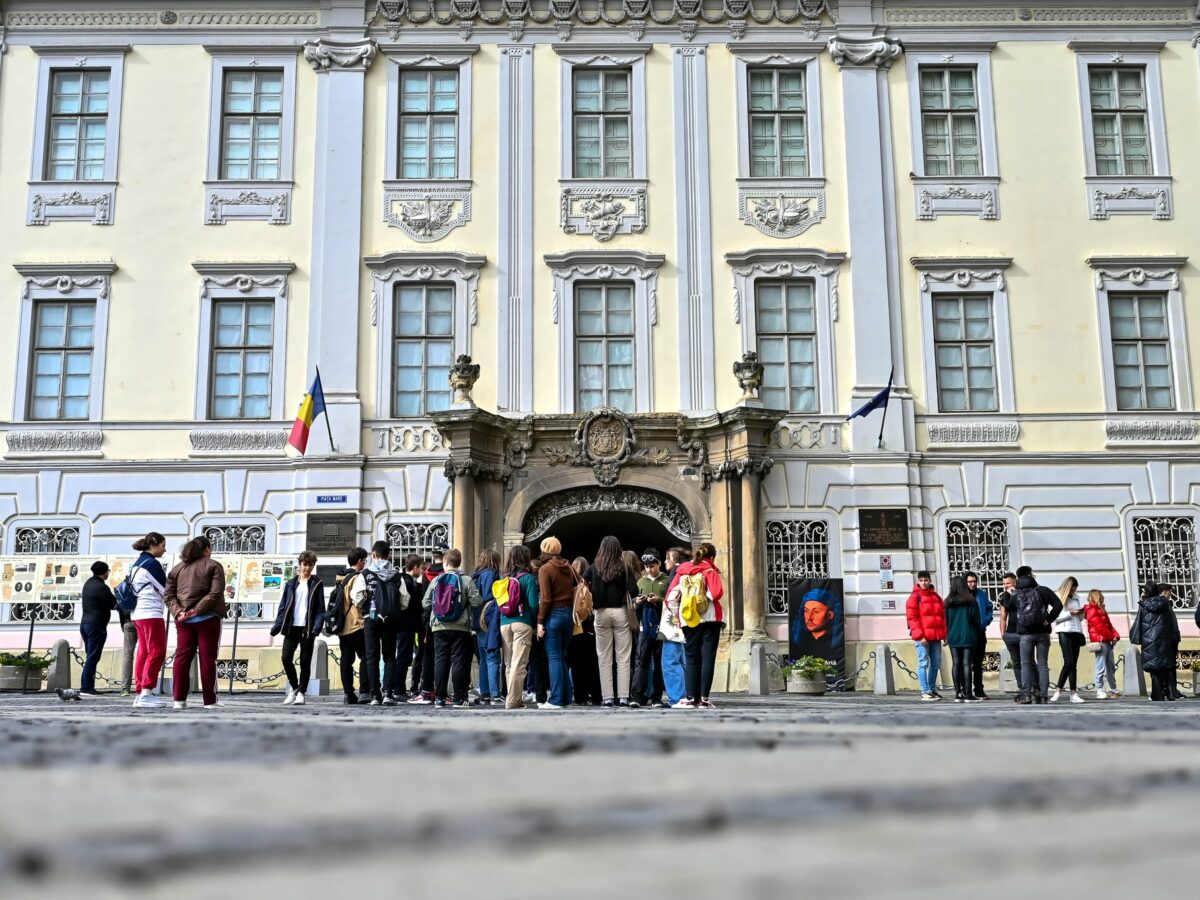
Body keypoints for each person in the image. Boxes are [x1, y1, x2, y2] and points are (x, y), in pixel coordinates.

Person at [164, 536, 227, 710]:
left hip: (183, 621)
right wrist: (197, 610)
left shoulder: (176, 569)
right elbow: (215, 593)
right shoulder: (213, 565)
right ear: (206, 549)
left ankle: (178, 700)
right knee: (208, 659)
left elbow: (168, 595)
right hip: (208, 618)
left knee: (182, 658)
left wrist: (179, 612)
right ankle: (210, 700)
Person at [422, 548, 483, 708]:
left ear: (445, 562)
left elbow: (425, 603)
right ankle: (459, 698)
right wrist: (464, 605)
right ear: (459, 562)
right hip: (460, 627)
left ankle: (440, 698)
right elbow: (477, 602)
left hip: (438, 627)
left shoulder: (437, 580)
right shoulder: (466, 580)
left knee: (440, 660)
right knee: (459, 661)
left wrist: (438, 609)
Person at [668, 542, 726, 709]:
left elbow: (670, 597)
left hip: (689, 618)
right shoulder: (710, 570)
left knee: (692, 657)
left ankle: (691, 697)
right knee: (708, 657)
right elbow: (716, 593)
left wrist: (679, 615)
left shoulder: (682, 571)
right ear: (713, 557)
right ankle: (704, 699)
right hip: (711, 618)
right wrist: (704, 596)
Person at [586, 536, 638, 708]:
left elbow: (582, 583)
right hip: (621, 612)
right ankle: (623, 697)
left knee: (604, 657)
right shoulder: (624, 567)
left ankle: (607, 697)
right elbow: (633, 590)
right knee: (623, 657)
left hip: (600, 613)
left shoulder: (594, 568)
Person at [270, 551, 324, 706]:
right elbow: (283, 606)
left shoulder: (316, 583)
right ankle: (294, 689)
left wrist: (316, 627)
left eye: (310, 565)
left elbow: (321, 608)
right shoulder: (291, 583)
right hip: (291, 627)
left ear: (313, 566)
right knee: (286, 658)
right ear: (300, 564)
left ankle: (301, 693)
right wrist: (277, 625)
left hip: (307, 628)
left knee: (305, 662)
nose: (307, 568)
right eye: (305, 564)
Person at [362, 541, 407, 705]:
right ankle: (388, 693)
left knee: (371, 657)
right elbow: (405, 599)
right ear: (388, 555)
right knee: (389, 656)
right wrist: (395, 610)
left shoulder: (365, 574)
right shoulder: (396, 575)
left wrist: (365, 608)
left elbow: (358, 596)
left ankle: (375, 695)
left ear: (373, 554)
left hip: (371, 618)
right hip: (391, 619)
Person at [129, 532, 169, 709]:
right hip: (151, 613)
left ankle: (140, 692)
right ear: (153, 544)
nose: (164, 550)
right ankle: (146, 691)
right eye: (162, 545)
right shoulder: (152, 564)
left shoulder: (136, 564)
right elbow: (166, 589)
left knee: (144, 653)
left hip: (137, 614)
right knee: (157, 652)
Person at [1014, 565, 1063, 705]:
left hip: (1025, 633)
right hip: (1043, 633)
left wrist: (1008, 595)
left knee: (1025, 664)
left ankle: (1026, 695)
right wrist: (1048, 620)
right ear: (1030, 575)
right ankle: (1043, 696)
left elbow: (1008, 605)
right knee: (1042, 664)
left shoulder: (1017, 594)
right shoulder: (1043, 590)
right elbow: (1058, 605)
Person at [536, 536, 576, 710]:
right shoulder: (569, 566)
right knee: (561, 657)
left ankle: (557, 699)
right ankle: (566, 698)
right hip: (569, 617)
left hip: (553, 615)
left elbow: (545, 599)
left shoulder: (545, 569)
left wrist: (539, 621)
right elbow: (582, 583)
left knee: (554, 657)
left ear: (544, 550)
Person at [499, 544, 539, 709]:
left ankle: (512, 697)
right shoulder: (528, 578)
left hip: (504, 623)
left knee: (509, 664)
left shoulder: (503, 578)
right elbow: (533, 604)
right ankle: (513, 701)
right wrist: (537, 620)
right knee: (519, 663)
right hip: (523, 622)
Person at [631, 550, 667, 708]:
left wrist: (659, 600)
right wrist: (638, 602)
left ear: (659, 564)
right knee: (641, 661)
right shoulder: (640, 582)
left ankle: (657, 696)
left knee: (659, 663)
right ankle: (638, 695)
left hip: (662, 627)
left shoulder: (667, 581)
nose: (649, 569)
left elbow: (672, 602)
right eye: (646, 566)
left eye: (652, 566)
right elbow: (632, 605)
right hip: (643, 627)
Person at [408, 545, 446, 698]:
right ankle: (440, 689)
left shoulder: (425, 575)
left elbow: (423, 601)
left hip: (427, 621)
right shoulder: (447, 574)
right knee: (442, 656)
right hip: (447, 620)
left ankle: (424, 688)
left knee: (425, 655)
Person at [905, 571, 946, 702]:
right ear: (918, 581)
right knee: (923, 662)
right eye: (921, 580)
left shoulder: (936, 597)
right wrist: (919, 635)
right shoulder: (914, 597)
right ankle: (924, 691)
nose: (924, 583)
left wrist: (945, 634)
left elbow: (942, 617)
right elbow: (912, 618)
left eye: (926, 580)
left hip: (935, 636)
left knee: (935, 664)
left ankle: (932, 689)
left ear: (930, 580)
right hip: (922, 637)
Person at [567, 555, 602, 706]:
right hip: (590, 628)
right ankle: (595, 695)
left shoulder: (569, 583)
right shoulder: (591, 582)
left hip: (575, 628)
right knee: (593, 663)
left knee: (576, 664)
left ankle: (580, 696)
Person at [1138, 582, 1180, 702]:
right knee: (1165, 667)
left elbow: (1139, 623)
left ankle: (1157, 694)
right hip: (1164, 640)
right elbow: (1171, 623)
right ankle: (1169, 692)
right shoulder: (1165, 603)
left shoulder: (1143, 605)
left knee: (1154, 668)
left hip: (1148, 640)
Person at [337, 548, 369, 705]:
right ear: (360, 561)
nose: (365, 563)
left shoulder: (340, 576)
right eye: (365, 560)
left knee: (346, 659)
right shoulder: (357, 577)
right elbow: (357, 598)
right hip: (356, 623)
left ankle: (348, 694)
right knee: (365, 656)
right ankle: (364, 691)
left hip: (342, 624)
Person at [79, 560, 116, 694]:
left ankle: (88, 685)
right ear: (105, 572)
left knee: (90, 655)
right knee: (93, 657)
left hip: (85, 624)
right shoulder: (102, 587)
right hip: (96, 625)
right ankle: (86, 687)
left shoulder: (88, 584)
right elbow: (113, 603)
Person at [658, 547, 689, 706]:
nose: (664, 561)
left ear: (675, 561)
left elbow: (672, 599)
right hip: (682, 623)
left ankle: (676, 698)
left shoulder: (676, 574)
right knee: (681, 660)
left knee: (670, 661)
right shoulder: (685, 572)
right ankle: (683, 696)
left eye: (667, 558)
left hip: (673, 623)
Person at [471, 549, 502, 704]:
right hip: (488, 620)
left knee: (483, 659)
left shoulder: (475, 576)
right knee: (493, 657)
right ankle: (495, 694)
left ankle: (485, 693)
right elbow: (489, 597)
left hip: (477, 620)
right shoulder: (490, 574)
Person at [944, 576, 981, 702]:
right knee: (966, 664)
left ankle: (958, 693)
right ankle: (968, 693)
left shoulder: (947, 602)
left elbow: (946, 621)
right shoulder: (971, 601)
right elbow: (977, 620)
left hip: (953, 636)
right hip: (968, 635)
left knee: (956, 663)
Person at [1050, 576, 1086, 703]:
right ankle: (1058, 691)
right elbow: (1055, 618)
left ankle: (1073, 693)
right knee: (1068, 661)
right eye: (1071, 590)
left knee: (1074, 664)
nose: (1073, 592)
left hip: (1076, 630)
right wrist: (1070, 613)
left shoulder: (1076, 597)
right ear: (1067, 588)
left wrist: (1081, 613)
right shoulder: (1057, 596)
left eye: (1074, 590)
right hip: (1064, 631)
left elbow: (1080, 619)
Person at [394, 554, 425, 700]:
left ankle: (397, 688)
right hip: (406, 625)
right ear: (415, 567)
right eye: (420, 567)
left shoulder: (400, 580)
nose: (422, 570)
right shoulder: (408, 583)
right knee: (403, 657)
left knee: (401, 656)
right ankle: (398, 689)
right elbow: (415, 608)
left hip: (399, 624)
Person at [1084, 589, 1120, 699]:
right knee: (1100, 666)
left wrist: (1115, 635)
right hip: (1100, 641)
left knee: (1110, 666)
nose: (1103, 597)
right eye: (1101, 595)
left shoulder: (1101, 609)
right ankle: (1099, 689)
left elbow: (1109, 625)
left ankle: (1113, 689)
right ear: (1097, 597)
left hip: (1107, 641)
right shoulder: (1091, 610)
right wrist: (1111, 636)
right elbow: (1100, 628)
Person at [965, 571, 993, 700]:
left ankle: (979, 690)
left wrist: (986, 620)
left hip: (980, 632)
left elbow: (989, 608)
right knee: (966, 663)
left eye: (974, 581)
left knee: (978, 663)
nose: (972, 584)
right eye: (970, 581)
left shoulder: (981, 594)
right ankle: (966, 690)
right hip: (967, 633)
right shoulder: (962, 595)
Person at [996, 573, 1022, 701]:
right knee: (1016, 662)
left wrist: (1015, 595)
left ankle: (1033, 688)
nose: (1006, 586)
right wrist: (1003, 633)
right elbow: (1003, 617)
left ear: (1015, 583)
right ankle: (1022, 688)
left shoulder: (1023, 594)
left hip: (1023, 633)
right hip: (1011, 633)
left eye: (1008, 583)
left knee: (1028, 662)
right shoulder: (1005, 597)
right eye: (1004, 584)